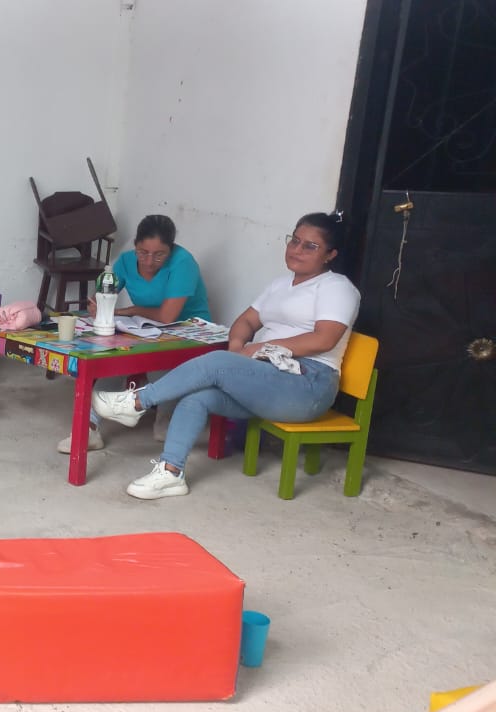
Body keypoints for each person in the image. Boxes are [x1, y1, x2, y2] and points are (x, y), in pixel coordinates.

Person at [91, 212, 360, 500]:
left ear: (330, 254)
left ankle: (136, 402)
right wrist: (237, 349)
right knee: (197, 398)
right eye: (294, 240)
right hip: (267, 376)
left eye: (310, 246)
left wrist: (260, 348)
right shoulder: (280, 285)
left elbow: (324, 339)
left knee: (216, 363)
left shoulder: (337, 288)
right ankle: (171, 472)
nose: (297, 250)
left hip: (307, 384)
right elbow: (246, 321)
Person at [59, 215, 211, 453]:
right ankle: (89, 428)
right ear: (135, 246)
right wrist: (99, 306)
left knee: (160, 358)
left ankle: (166, 419)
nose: (149, 261)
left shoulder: (183, 263)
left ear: (171, 249)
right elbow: (103, 297)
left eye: (159, 255)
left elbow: (167, 317)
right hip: (146, 328)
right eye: (143, 252)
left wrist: (128, 311)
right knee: (110, 355)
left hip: (189, 330)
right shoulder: (126, 262)